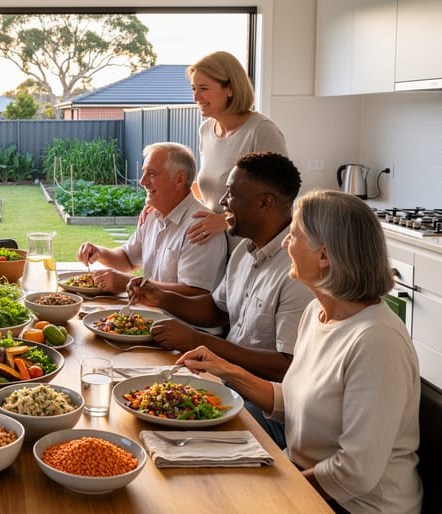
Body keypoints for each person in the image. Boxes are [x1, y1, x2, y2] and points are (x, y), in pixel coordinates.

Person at [176, 190, 422, 513]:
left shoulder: (377, 342)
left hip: (355, 505)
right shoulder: (317, 314)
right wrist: (224, 369)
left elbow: (355, 473)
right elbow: (293, 402)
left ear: (324, 256)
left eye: (294, 235)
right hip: (306, 478)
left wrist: (275, 491)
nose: (283, 244)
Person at [131, 152, 313, 447]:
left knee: (173, 440)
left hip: (268, 408)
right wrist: (162, 297)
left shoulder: (296, 269)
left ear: (264, 202)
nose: (223, 202)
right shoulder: (243, 250)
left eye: (232, 194)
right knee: (144, 405)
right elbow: (218, 311)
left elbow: (286, 366)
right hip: (224, 380)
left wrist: (200, 343)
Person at [77, 142, 226, 296]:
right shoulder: (151, 216)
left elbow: (195, 295)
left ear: (180, 180)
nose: (142, 181)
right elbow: (128, 259)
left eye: (152, 174)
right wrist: (99, 253)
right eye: (144, 173)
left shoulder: (202, 226)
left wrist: (130, 284)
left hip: (177, 320)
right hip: (150, 314)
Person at [185, 51, 288, 246]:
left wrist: (225, 220)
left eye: (204, 88)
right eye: (193, 89)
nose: (196, 97)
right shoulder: (206, 130)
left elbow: (281, 198)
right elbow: (210, 189)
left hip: (251, 247)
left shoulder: (261, 130)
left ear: (230, 89)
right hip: (215, 247)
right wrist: (162, 205)